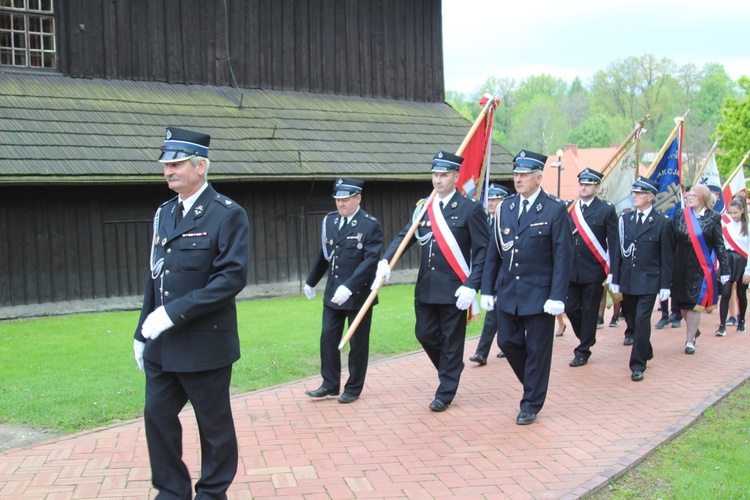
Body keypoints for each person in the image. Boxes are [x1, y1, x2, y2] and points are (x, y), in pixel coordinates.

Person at [133, 127, 250, 498]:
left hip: (204, 342)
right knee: (158, 417)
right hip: (163, 345)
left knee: (213, 427)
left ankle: (212, 492)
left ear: (201, 166)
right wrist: (142, 331)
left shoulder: (226, 214)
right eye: (166, 164)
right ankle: (171, 490)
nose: (168, 170)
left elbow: (230, 278)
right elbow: (157, 277)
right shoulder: (165, 213)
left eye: (177, 163)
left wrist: (173, 313)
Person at [374, 151, 489, 412]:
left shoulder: (470, 210)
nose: (438, 180)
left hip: (454, 288)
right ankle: (451, 368)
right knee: (424, 334)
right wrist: (386, 261)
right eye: (435, 175)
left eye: (444, 175)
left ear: (456, 177)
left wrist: (472, 285)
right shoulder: (424, 208)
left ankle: (445, 391)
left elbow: (483, 251)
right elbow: (404, 237)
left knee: (451, 340)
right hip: (426, 286)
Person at [481, 150, 573, 425]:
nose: (517, 179)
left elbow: (563, 257)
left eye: (523, 175)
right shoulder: (506, 208)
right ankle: (533, 383)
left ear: (538, 177)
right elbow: (493, 253)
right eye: (516, 174)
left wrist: (557, 296)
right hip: (509, 291)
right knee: (507, 341)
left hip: (540, 294)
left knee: (537, 350)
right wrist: (487, 289)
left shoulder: (554, 209)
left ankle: (531, 403)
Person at [303, 178, 383, 403]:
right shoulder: (330, 221)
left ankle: (353, 388)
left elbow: (370, 261)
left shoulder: (370, 225)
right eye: (338, 200)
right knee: (328, 338)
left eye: (345, 200)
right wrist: (311, 281)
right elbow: (325, 254)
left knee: (357, 344)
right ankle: (329, 384)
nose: (340, 204)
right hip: (332, 293)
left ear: (358, 198)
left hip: (358, 295)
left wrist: (350, 286)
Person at [610, 177, 672, 381]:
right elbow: (618, 251)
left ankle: (637, 365)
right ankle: (646, 349)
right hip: (628, 280)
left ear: (650, 197)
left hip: (648, 280)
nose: (634, 196)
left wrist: (665, 284)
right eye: (633, 193)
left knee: (642, 320)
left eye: (639, 193)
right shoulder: (625, 220)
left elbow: (666, 255)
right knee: (632, 321)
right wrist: (615, 277)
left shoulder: (662, 222)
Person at [565, 168, 618, 367]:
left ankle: (583, 350)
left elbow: (613, 242)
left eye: (588, 184)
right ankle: (587, 336)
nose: (584, 187)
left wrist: (614, 271)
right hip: (571, 269)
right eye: (582, 183)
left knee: (589, 311)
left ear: (597, 187)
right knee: (570, 308)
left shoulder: (606, 209)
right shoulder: (570, 208)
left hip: (594, 269)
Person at [670, 184, 729, 354]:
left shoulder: (713, 217)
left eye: (693, 196)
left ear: (703, 198)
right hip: (680, 265)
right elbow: (673, 239)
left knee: (694, 303)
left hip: (700, 268)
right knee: (682, 302)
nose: (688, 198)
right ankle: (693, 329)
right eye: (688, 196)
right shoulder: (681, 214)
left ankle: (689, 341)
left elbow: (719, 245)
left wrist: (724, 269)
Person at [469, 183, 509, 365]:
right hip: (488, 275)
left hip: (504, 277)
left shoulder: (507, 221)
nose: (491, 203)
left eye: (495, 199)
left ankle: (482, 352)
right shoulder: (485, 221)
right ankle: (507, 345)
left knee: (494, 315)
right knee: (499, 314)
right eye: (489, 199)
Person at [717, 197, 750, 335]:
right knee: (725, 293)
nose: (732, 216)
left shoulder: (747, 227)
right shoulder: (726, 227)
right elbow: (721, 248)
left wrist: (748, 271)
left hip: (742, 261)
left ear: (742, 211)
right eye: (730, 213)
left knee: (741, 293)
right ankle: (722, 325)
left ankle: (741, 320)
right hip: (727, 261)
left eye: (735, 213)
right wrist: (720, 266)